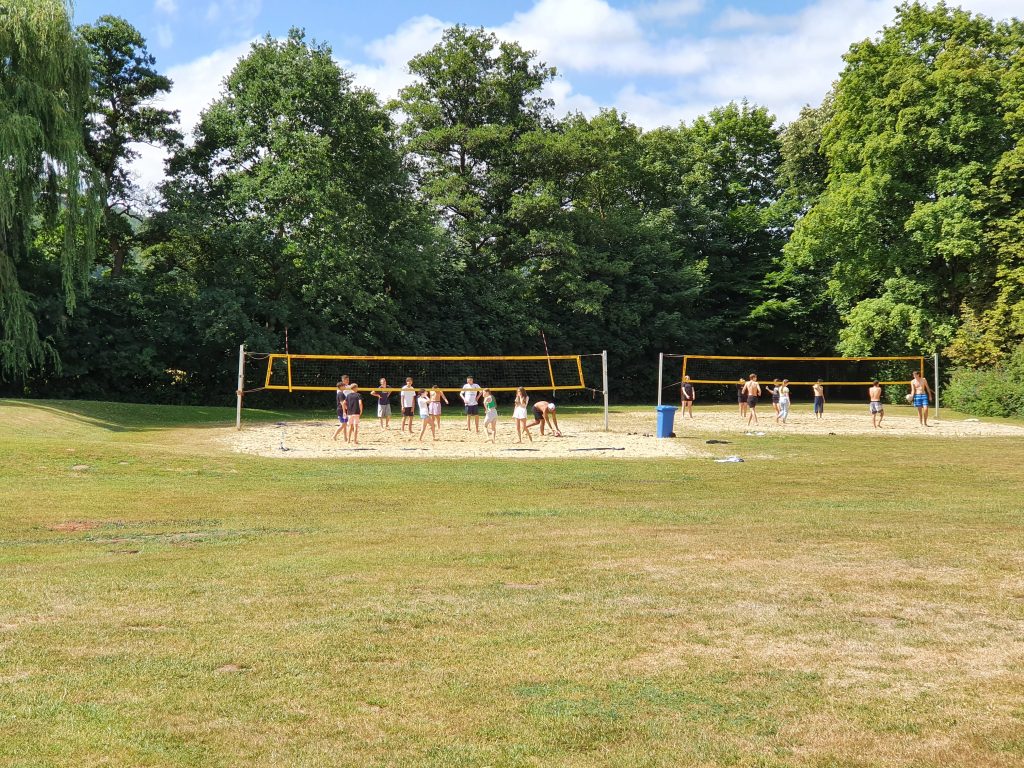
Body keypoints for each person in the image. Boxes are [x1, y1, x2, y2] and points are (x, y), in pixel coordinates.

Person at [332, 376, 351, 441]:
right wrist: (344, 411)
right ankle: (334, 436)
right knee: (343, 424)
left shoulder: (342, 392)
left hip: (343, 409)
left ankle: (345, 438)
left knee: (344, 424)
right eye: (343, 386)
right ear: (341, 387)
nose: (345, 386)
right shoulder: (340, 393)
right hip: (341, 410)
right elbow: (342, 403)